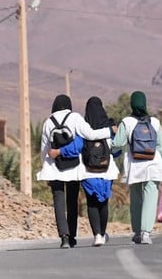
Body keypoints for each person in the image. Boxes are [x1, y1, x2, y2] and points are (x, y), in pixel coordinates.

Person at [37, 94, 113, 249]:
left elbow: (44, 149)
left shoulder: (48, 122)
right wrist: (110, 131)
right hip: (73, 168)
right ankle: (72, 236)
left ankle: (64, 237)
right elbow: (90, 135)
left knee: (58, 201)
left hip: (54, 167)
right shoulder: (75, 118)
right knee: (72, 201)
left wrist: (44, 167)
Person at [112, 90, 162, 245]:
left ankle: (137, 232)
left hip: (135, 165)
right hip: (153, 164)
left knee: (136, 199)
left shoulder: (126, 122)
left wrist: (108, 148)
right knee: (151, 197)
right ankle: (146, 233)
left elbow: (118, 143)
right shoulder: (155, 122)